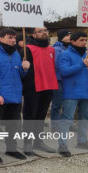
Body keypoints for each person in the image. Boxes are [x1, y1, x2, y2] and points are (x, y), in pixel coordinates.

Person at [0, 28, 30, 164]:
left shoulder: (16, 54)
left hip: (14, 97)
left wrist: (24, 69)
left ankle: (11, 148)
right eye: (10, 37)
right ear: (1, 38)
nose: (13, 40)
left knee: (12, 126)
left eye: (14, 38)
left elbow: (20, 76)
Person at [57, 31, 88, 157]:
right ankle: (62, 145)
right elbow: (64, 71)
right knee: (67, 119)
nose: (84, 42)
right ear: (73, 41)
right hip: (71, 92)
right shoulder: (65, 55)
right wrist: (81, 64)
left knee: (85, 119)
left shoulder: (87, 56)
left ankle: (82, 141)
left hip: (87, 92)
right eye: (81, 40)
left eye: (85, 40)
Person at [21, 27, 59, 155]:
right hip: (33, 88)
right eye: (41, 31)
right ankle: (27, 143)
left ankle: (38, 142)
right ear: (33, 34)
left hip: (48, 87)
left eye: (46, 31)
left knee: (41, 116)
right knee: (30, 116)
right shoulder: (27, 49)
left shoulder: (51, 50)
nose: (45, 33)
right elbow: (23, 71)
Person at [51, 29, 71, 130]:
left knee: (69, 104)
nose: (69, 37)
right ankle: (55, 125)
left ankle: (67, 124)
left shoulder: (71, 49)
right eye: (67, 35)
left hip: (69, 80)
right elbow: (56, 65)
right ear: (61, 37)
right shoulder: (56, 49)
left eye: (70, 35)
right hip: (58, 80)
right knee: (57, 104)